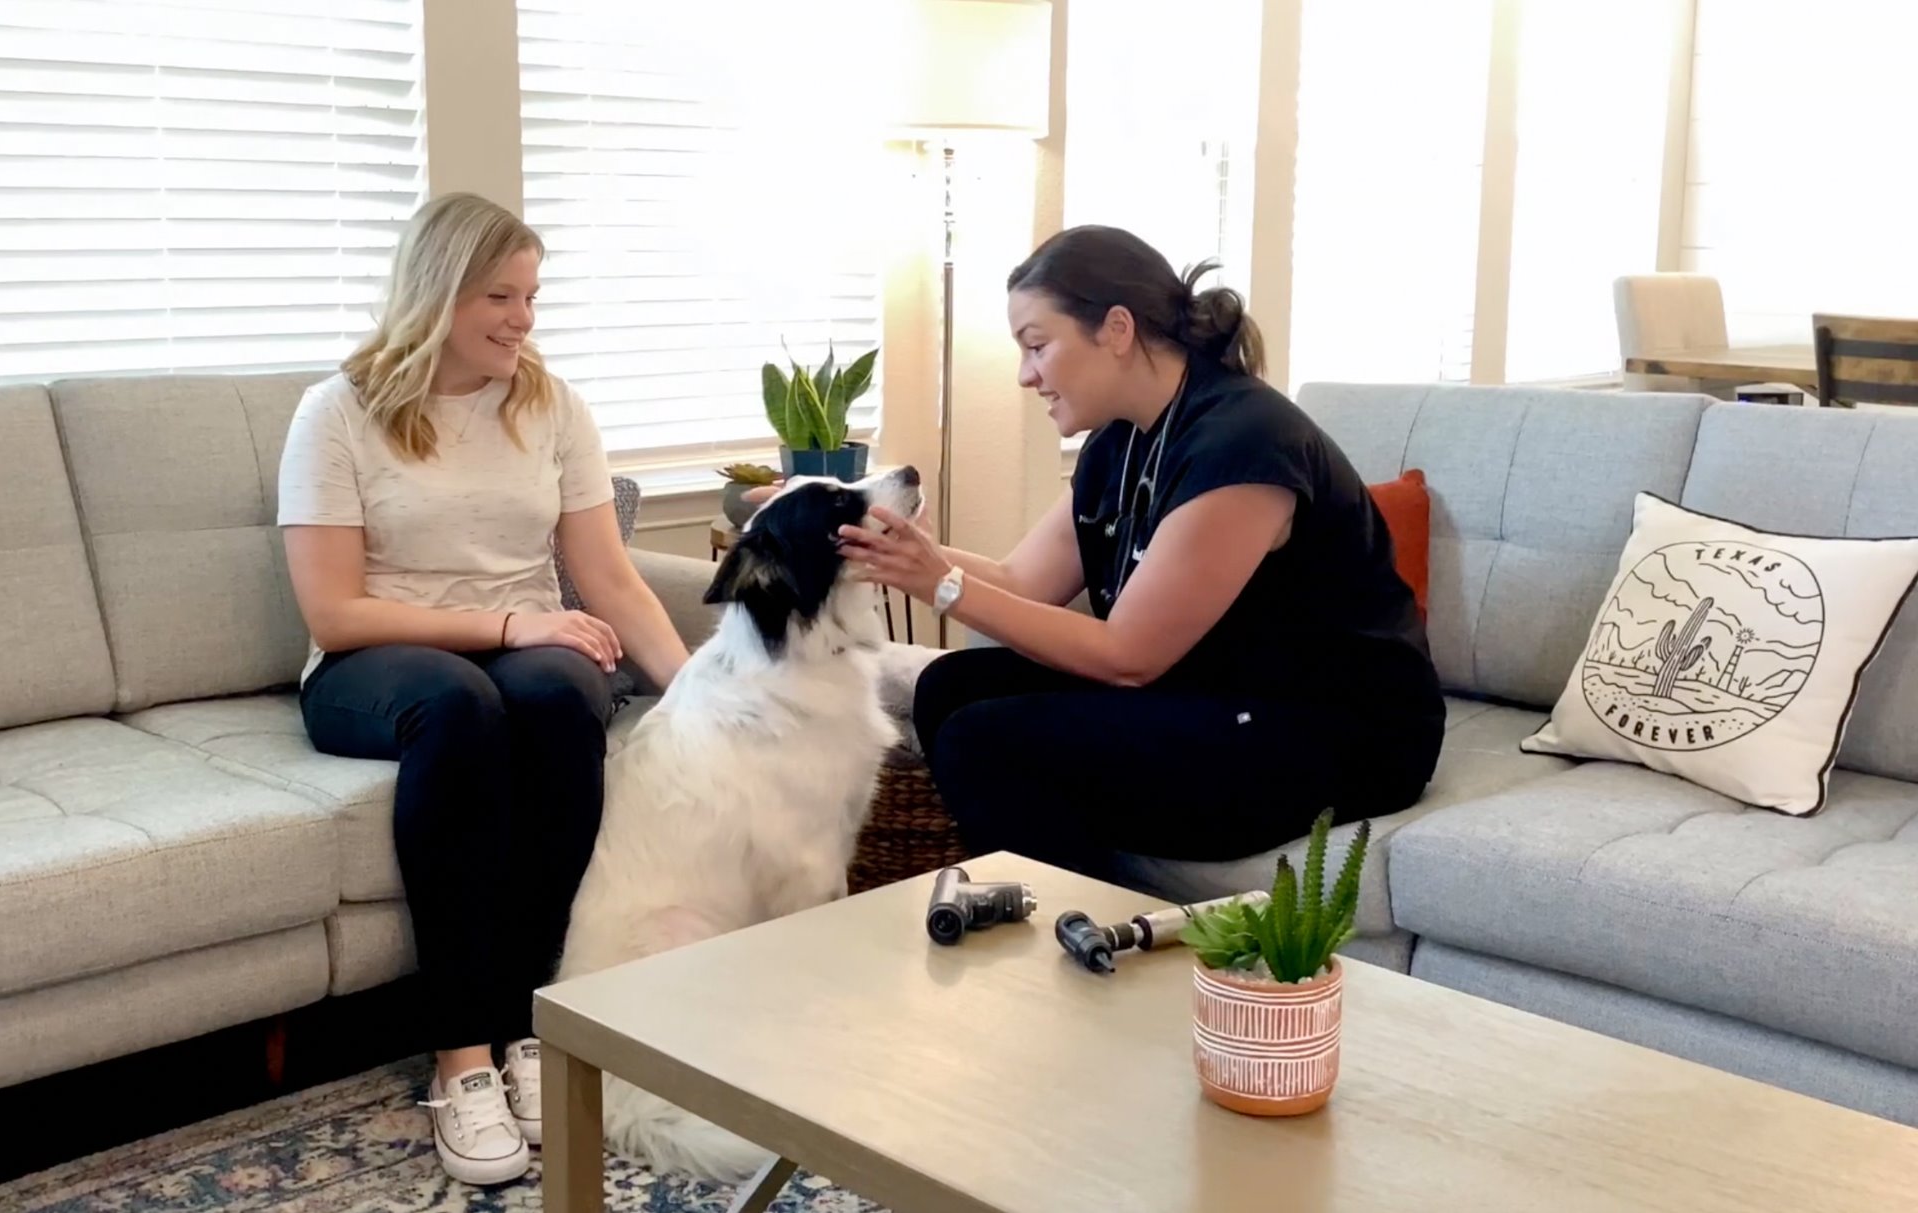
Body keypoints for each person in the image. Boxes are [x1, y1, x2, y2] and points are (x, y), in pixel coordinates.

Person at [277, 192, 690, 1186]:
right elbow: (335, 611)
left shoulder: (550, 406)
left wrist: (699, 698)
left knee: (558, 695)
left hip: (524, 645)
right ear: (436, 295)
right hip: (376, 661)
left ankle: (535, 1027)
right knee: (463, 706)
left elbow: (610, 579)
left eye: (531, 294)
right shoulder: (339, 411)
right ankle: (461, 1057)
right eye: (499, 296)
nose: (523, 318)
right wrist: (510, 624)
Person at [834, 225, 1444, 877]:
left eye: (1037, 345)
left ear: (1117, 329)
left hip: (1327, 729)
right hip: (1213, 691)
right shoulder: (1120, 441)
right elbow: (1023, 579)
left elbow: (1129, 658)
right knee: (951, 687)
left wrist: (942, 583)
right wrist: (888, 545)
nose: (1024, 374)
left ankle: (1077, 936)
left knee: (983, 741)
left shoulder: (1245, 445)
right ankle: (1073, 897)